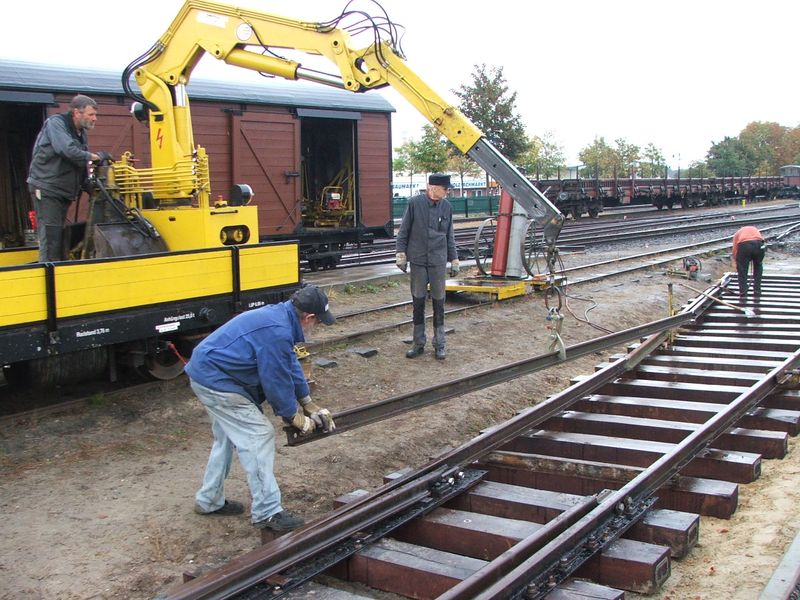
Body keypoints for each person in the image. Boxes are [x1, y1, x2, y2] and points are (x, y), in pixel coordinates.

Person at [185, 284, 337, 531]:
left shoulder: (281, 318)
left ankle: (209, 500)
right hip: (217, 380)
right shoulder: (277, 330)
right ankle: (267, 512)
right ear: (309, 317)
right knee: (258, 435)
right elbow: (274, 378)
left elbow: (289, 362)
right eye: (318, 322)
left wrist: (307, 402)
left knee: (227, 438)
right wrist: (292, 416)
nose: (316, 328)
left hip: (210, 373)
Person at [27, 94, 102, 262]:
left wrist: (89, 185)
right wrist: (95, 157)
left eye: (95, 115)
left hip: (61, 190)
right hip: (47, 187)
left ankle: (58, 272)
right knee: (51, 236)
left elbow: (79, 164)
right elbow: (66, 150)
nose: (95, 119)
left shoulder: (80, 133)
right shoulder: (56, 124)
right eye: (91, 115)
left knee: (59, 237)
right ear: (77, 112)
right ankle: (48, 279)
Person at [395, 173, 460, 360]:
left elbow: (450, 236)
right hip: (418, 260)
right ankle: (418, 343)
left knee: (439, 302)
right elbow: (404, 231)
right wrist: (401, 253)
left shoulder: (447, 207)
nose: (447, 192)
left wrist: (454, 259)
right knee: (418, 302)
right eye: (445, 188)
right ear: (432, 187)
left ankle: (440, 344)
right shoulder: (414, 204)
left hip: (438, 261)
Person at [732, 225, 766, 297]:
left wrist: (738, 262)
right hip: (759, 244)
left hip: (744, 245)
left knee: (742, 270)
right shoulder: (755, 229)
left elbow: (735, 249)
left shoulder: (737, 234)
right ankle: (757, 291)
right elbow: (762, 240)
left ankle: (743, 292)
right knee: (758, 266)